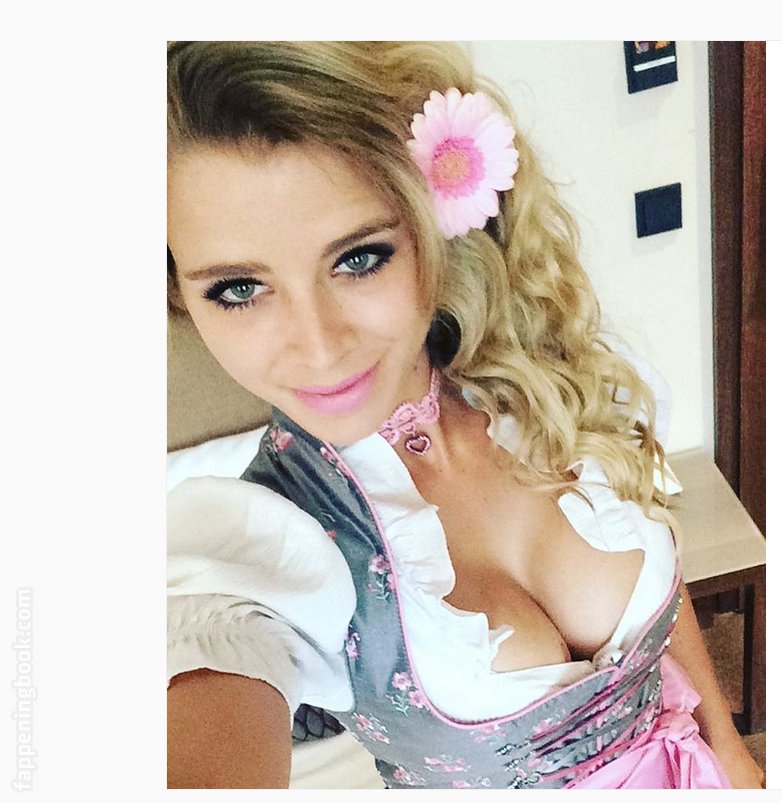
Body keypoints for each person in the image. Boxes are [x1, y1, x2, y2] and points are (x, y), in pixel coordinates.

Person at [166, 41, 764, 789]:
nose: (318, 347)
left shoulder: (550, 377)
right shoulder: (259, 545)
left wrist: (733, 755)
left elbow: (661, 590)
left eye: (358, 258)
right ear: (181, 298)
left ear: (431, 229)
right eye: (238, 289)